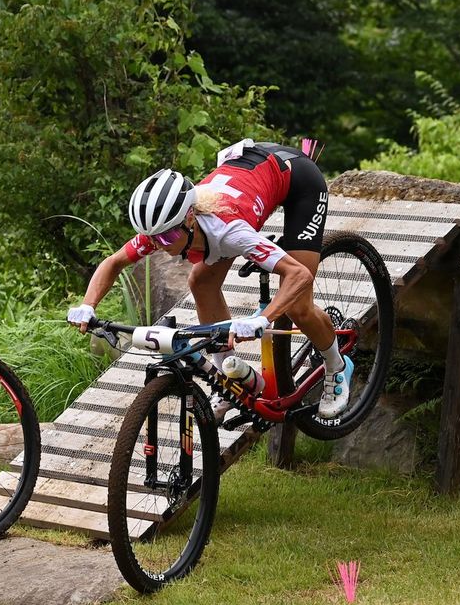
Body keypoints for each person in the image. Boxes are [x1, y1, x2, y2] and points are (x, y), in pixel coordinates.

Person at [67, 140, 352, 421]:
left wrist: (262, 319)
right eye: (153, 238)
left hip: (298, 181)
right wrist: (87, 306)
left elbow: (298, 275)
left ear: (189, 218)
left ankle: (337, 364)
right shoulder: (164, 228)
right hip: (251, 172)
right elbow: (114, 262)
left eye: (166, 237)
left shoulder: (231, 232)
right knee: (201, 282)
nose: (160, 245)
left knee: (297, 307)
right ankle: (229, 378)